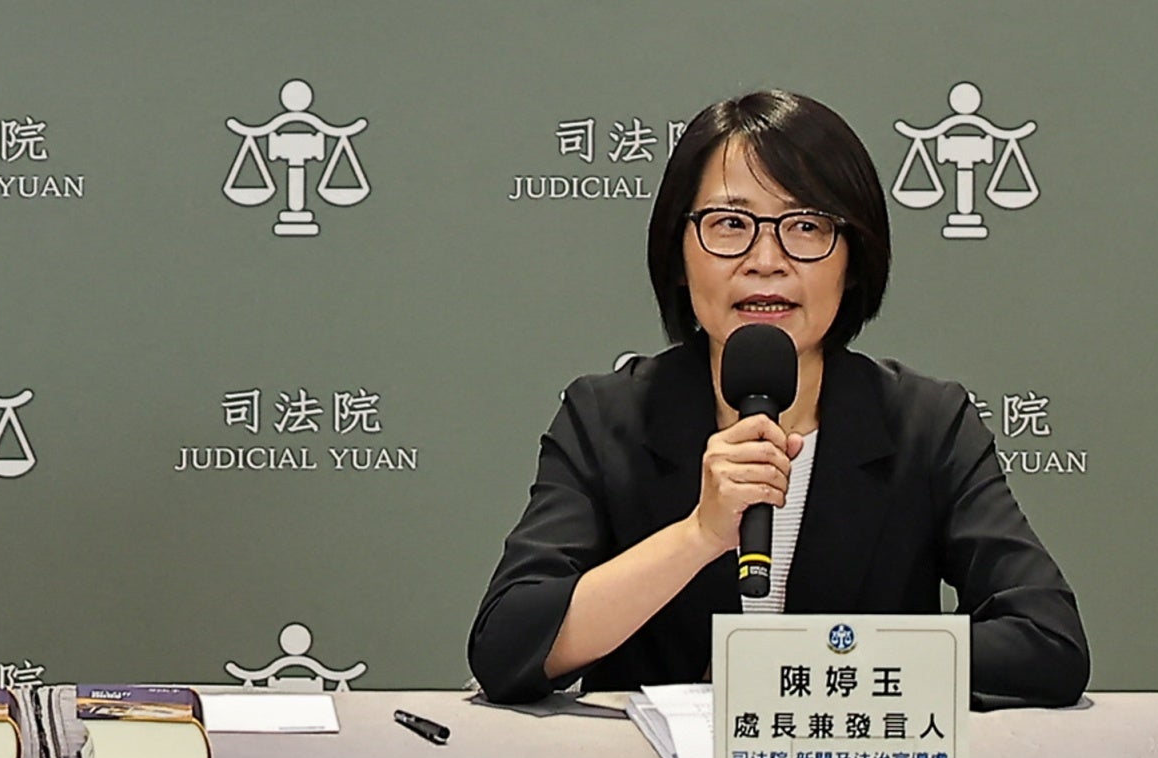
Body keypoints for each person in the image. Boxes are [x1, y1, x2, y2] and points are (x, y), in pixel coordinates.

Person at [467, 90, 1089, 709]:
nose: (766, 262)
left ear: (853, 260)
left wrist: (804, 669)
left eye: (806, 226)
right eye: (730, 225)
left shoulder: (925, 425)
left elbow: (1047, 642)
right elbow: (506, 645)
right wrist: (699, 535)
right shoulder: (607, 419)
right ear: (678, 253)